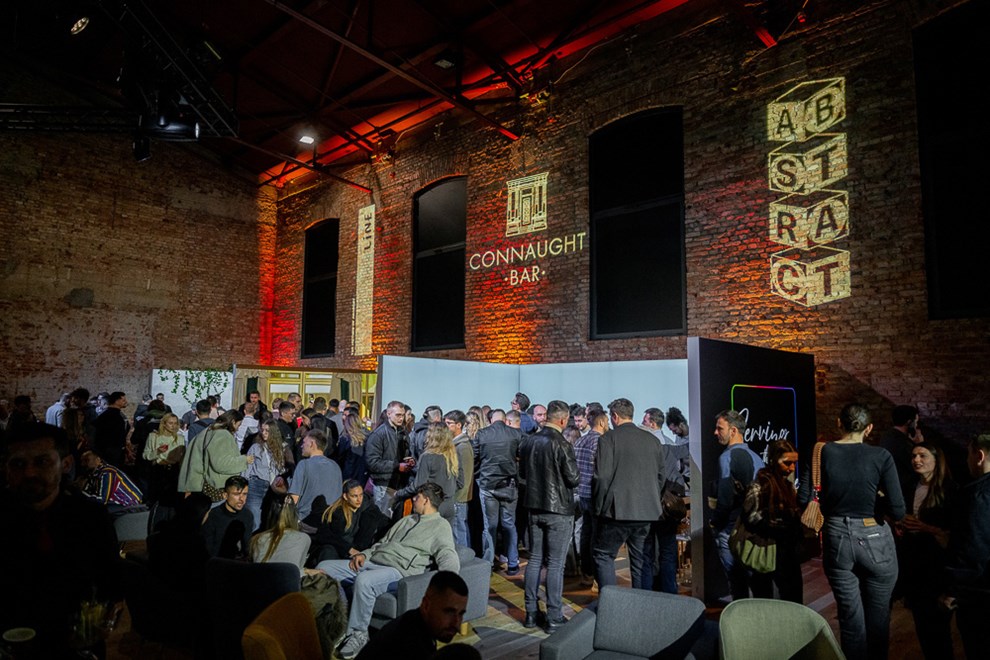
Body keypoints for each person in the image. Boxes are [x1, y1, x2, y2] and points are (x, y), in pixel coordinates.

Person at [0, 423, 121, 658]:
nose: (29, 473)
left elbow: (111, 581)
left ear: (66, 464)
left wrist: (105, 618)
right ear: (6, 468)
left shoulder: (91, 517)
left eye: (42, 462)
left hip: (76, 642)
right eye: (18, 464)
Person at [799, 403, 904, 660]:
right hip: (874, 535)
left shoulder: (821, 451)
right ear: (869, 428)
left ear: (839, 423)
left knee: (849, 617)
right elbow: (898, 510)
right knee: (878, 620)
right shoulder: (881, 456)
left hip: (836, 536)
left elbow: (803, 499)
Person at [318, 482, 459, 660]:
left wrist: (446, 584)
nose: (413, 499)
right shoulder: (407, 520)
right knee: (324, 568)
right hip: (375, 561)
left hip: (399, 570)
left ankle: (358, 634)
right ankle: (336, 625)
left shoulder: (440, 526)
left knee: (365, 581)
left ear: (426, 500)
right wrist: (363, 555)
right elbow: (381, 544)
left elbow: (448, 554)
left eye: (417, 497)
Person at [592, 398, 665, 590]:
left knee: (604, 555)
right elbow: (660, 476)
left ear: (615, 416)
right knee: (641, 561)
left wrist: (598, 507)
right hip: (646, 512)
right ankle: (641, 605)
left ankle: (610, 604)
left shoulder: (608, 439)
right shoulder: (653, 440)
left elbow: (602, 477)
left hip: (616, 512)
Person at [520, 400, 580, 632]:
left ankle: (531, 613)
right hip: (558, 510)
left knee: (535, 559)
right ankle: (554, 616)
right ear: (563, 420)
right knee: (555, 564)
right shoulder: (563, 444)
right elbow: (573, 479)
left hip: (534, 507)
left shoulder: (529, 441)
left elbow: (522, 474)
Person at [896, 442, 956, 659]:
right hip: (914, 566)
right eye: (913, 456)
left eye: (922, 455)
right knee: (922, 626)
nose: (916, 460)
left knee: (939, 630)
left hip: (937, 567)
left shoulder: (949, 490)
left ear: (936, 459)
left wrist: (926, 528)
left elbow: (954, 533)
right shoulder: (909, 486)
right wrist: (900, 525)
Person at [940, 432, 990, 660]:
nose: (966, 461)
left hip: (980, 595)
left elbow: (973, 549)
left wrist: (952, 590)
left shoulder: (976, 496)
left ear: (979, 456)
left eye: (968, 455)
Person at [711, 410, 765, 600]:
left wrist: (715, 524)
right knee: (758, 585)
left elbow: (724, 499)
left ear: (733, 430)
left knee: (737, 587)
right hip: (755, 530)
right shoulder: (757, 457)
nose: (715, 433)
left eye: (720, 428)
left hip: (732, 530)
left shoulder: (727, 457)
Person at [355, 571, 469, 660]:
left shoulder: (412, 622)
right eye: (449, 612)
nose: (456, 623)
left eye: (461, 614)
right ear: (426, 605)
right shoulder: (410, 646)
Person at [741, 440, 803, 603]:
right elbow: (751, 518)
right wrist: (778, 526)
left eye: (794, 463)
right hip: (766, 550)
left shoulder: (787, 485)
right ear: (774, 460)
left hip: (787, 553)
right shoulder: (759, 485)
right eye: (787, 463)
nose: (792, 468)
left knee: (792, 600)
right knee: (767, 601)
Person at [474, 408, 522, 573]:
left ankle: (488, 563)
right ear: (505, 420)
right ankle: (513, 563)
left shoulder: (482, 434)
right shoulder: (515, 434)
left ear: (491, 420)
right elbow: (521, 456)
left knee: (490, 526)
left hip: (488, 485)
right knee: (509, 524)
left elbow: (475, 458)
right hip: (509, 485)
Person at [178, 410, 254, 499]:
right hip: (217, 487)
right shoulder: (222, 434)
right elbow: (220, 463)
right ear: (233, 422)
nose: (238, 429)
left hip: (199, 484)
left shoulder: (210, 431)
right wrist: (244, 460)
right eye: (239, 425)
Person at [310, 479, 389, 564]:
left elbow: (384, 524)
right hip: (338, 550)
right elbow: (327, 536)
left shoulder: (370, 510)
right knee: (328, 551)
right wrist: (348, 549)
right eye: (354, 496)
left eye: (361, 495)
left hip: (360, 552)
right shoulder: (336, 513)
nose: (359, 499)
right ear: (345, 496)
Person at [394, 422, 459, 523]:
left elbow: (418, 485)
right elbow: (461, 482)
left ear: (431, 436)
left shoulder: (428, 457)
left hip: (433, 505)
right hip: (449, 505)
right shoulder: (453, 455)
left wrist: (398, 494)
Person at [574, 410, 606, 585]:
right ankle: (595, 573)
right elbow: (601, 471)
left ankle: (586, 571)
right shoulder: (600, 442)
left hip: (582, 492)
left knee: (585, 532)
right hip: (595, 494)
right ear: (601, 422)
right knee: (596, 534)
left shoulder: (580, 440)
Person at [365, 400, 414, 514]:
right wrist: (397, 466)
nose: (401, 418)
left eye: (402, 415)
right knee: (382, 518)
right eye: (398, 415)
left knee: (396, 519)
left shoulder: (403, 432)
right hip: (384, 485)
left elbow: (405, 454)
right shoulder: (378, 434)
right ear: (388, 414)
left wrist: (410, 461)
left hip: (399, 484)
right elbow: (372, 463)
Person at [251, 498, 316, 576]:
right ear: (295, 516)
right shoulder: (304, 538)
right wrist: (307, 571)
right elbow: (296, 572)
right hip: (287, 581)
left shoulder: (257, 538)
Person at [242, 419, 287, 531]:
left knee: (268, 520)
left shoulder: (280, 448)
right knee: (254, 520)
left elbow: (281, 469)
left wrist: (281, 477)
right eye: (262, 430)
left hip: (272, 487)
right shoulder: (255, 447)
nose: (264, 433)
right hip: (256, 484)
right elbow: (247, 468)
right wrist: (243, 485)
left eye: (267, 430)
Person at [289, 429, 343, 523]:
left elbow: (294, 498)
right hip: (329, 520)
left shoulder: (304, 465)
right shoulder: (335, 466)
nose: (301, 446)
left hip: (305, 521)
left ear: (312, 444)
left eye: (304, 442)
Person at [202, 475, 254, 558]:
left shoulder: (247, 515)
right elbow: (207, 547)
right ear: (225, 495)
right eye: (236, 494)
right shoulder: (214, 515)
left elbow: (246, 547)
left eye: (244, 494)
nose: (242, 499)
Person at [80, 450, 144, 512]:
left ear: (98, 460)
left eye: (87, 460)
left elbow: (102, 500)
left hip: (129, 504)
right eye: (82, 461)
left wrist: (81, 493)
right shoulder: (94, 474)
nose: (83, 464)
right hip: (119, 504)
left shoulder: (107, 473)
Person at [142, 412, 185, 504]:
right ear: (164, 424)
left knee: (171, 498)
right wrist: (157, 451)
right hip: (157, 469)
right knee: (155, 497)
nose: (173, 426)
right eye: (170, 423)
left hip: (173, 470)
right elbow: (146, 455)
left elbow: (182, 458)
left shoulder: (180, 438)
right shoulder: (153, 437)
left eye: (175, 423)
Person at [445, 410, 474, 547]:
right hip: (457, 497)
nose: (446, 426)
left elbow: (463, 476)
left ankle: (462, 558)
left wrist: (455, 494)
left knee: (458, 533)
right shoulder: (458, 445)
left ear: (458, 425)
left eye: (449, 423)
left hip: (458, 497)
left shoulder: (462, 447)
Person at [93, 391, 130, 467]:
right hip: (111, 454)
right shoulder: (114, 417)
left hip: (110, 452)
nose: (126, 402)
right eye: (123, 400)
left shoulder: (107, 415)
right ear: (116, 401)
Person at [338, 410, 369, 483]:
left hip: (348, 473)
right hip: (363, 473)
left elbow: (340, 457)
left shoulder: (345, 439)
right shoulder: (367, 437)